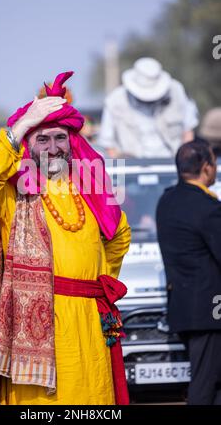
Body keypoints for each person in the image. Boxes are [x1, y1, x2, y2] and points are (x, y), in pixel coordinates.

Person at [0, 71, 131, 405]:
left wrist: (98, 280)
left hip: (88, 323)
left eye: (60, 138)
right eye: (42, 139)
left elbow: (118, 235)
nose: (54, 148)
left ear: (71, 141)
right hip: (37, 329)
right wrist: (26, 121)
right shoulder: (13, 194)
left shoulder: (90, 188)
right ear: (29, 144)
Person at [156, 138, 221, 405]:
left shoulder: (167, 201)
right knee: (205, 383)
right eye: (214, 163)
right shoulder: (208, 208)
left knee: (214, 381)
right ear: (206, 168)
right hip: (210, 312)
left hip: (184, 308)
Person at [98, 57, 199, 158]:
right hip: (131, 166)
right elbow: (108, 143)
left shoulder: (177, 92)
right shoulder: (115, 100)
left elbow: (188, 131)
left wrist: (184, 161)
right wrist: (123, 168)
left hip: (172, 162)